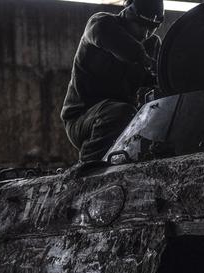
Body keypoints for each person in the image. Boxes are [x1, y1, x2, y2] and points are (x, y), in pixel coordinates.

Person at [61, 0, 164, 163]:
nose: (145, 34)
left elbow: (155, 83)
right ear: (127, 14)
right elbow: (120, 43)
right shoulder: (100, 24)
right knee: (121, 112)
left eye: (152, 28)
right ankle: (87, 167)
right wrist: (144, 59)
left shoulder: (152, 44)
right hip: (82, 119)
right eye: (141, 26)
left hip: (124, 119)